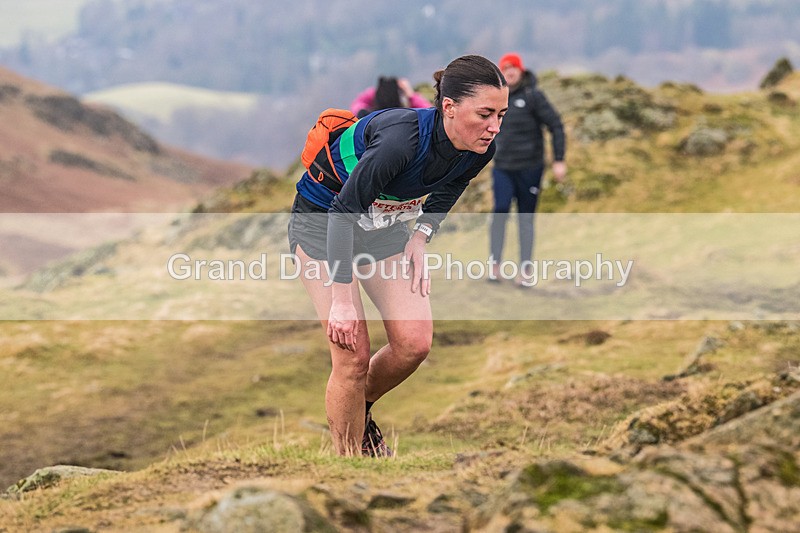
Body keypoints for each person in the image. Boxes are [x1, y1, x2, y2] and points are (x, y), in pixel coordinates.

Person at [289, 55, 508, 457]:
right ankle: (349, 464)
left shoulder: (479, 149)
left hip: (382, 229)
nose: (494, 127)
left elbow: (449, 187)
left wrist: (421, 236)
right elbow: (343, 212)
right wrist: (341, 300)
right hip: (323, 223)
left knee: (414, 344)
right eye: (485, 113)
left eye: (501, 114)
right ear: (449, 107)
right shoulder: (400, 142)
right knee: (352, 357)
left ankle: (359, 408)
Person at [489, 53, 566, 286]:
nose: (510, 72)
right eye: (505, 68)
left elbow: (556, 125)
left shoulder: (533, 96)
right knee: (500, 211)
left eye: (514, 68)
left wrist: (559, 159)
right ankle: (495, 266)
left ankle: (525, 271)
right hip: (502, 166)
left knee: (525, 218)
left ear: (521, 71)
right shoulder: (496, 97)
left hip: (530, 167)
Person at [350, 76, 433, 118]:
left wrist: (380, 89)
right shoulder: (409, 118)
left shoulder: (366, 118)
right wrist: (411, 94)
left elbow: (358, 104)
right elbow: (430, 112)